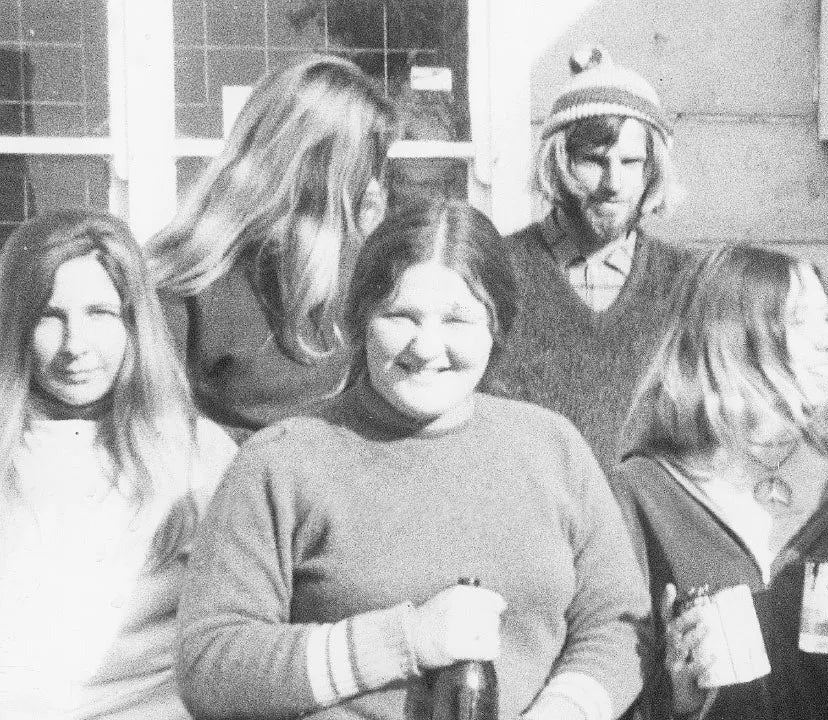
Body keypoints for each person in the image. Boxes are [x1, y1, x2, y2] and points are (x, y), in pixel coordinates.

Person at [178, 199, 650, 720]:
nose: (427, 347)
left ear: (497, 328)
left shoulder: (552, 447)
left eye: (458, 320)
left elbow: (618, 625)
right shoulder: (282, 462)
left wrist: (564, 711)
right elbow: (211, 666)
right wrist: (403, 641)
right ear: (360, 320)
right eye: (401, 316)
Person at [611, 244, 828, 720]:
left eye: (827, 318)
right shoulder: (641, 495)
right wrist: (670, 700)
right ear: (731, 341)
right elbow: (601, 671)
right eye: (800, 321)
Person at [0, 210, 237, 719]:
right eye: (49, 316)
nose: (75, 346)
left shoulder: (198, 453)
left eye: (100, 313)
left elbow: (244, 630)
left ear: (135, 322)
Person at [149, 54, 397, 436]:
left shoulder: (370, 271)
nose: (377, 186)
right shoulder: (190, 277)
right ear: (322, 172)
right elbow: (157, 427)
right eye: (370, 165)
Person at [485, 44, 701, 468]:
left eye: (631, 162)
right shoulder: (497, 268)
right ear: (557, 161)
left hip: (641, 508)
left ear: (653, 169)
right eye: (594, 161)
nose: (614, 183)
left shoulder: (686, 282)